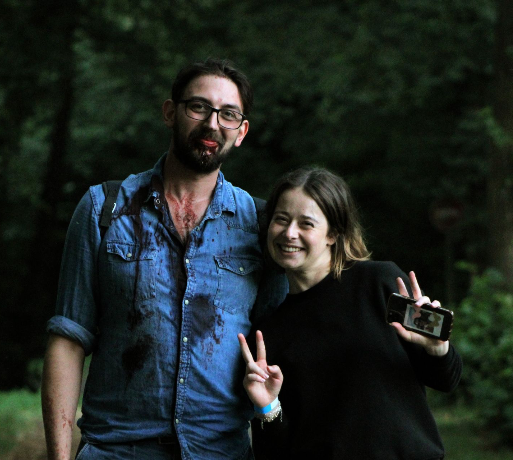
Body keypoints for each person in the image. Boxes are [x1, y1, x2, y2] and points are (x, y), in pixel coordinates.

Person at [41, 58, 288, 460]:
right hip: (116, 451)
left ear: (241, 132)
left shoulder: (262, 227)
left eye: (228, 114)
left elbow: (289, 344)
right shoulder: (104, 208)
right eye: (199, 107)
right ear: (170, 112)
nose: (212, 124)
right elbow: (68, 339)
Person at [237, 167, 462, 459]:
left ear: (333, 233)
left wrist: (436, 348)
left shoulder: (379, 283)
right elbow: (276, 452)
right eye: (281, 219)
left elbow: (446, 381)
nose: (289, 233)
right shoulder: (268, 332)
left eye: (306, 223)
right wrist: (267, 407)